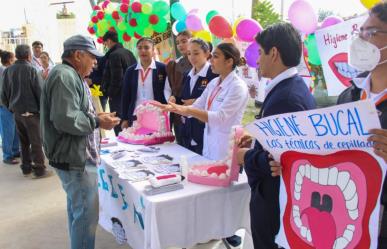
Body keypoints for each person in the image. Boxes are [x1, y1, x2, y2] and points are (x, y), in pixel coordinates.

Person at [156, 43, 248, 247]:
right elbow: (197, 105)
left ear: (229, 61)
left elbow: (221, 118)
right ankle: (215, 229)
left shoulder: (238, 87)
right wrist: (172, 108)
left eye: (215, 56)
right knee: (212, 192)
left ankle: (230, 231)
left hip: (226, 146)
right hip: (210, 144)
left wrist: (187, 111)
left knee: (226, 193)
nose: (211, 60)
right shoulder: (215, 83)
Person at [236, 23, 316, 249]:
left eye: (260, 53)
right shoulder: (291, 87)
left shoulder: (286, 97)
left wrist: (245, 156)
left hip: (275, 201)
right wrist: (258, 138)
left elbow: (280, 161)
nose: (257, 60)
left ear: (274, 53)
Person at [40, 34, 120, 249]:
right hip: (74, 159)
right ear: (77, 55)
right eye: (92, 57)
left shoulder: (70, 74)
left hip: (75, 155)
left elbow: (76, 113)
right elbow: (65, 119)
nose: (95, 63)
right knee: (85, 217)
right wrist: (97, 122)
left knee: (78, 212)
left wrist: (98, 119)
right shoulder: (64, 76)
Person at [336, 3, 387, 248]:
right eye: (360, 32)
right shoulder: (349, 96)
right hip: (346, 220)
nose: (360, 41)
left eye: (371, 32)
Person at [1, 45, 51, 178]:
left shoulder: (7, 71)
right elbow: (40, 93)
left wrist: (11, 108)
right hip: (31, 113)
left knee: (23, 142)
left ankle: (26, 167)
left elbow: (3, 94)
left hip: (17, 113)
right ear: (29, 55)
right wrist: (43, 111)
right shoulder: (32, 70)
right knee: (35, 142)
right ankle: (39, 169)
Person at [178, 38, 218, 154]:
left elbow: (218, 100)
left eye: (196, 53)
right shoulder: (187, 75)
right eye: (189, 53)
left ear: (206, 53)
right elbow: (182, 96)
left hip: (205, 130)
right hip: (188, 128)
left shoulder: (213, 74)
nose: (192, 57)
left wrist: (195, 101)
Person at [121, 37, 168, 128]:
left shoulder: (163, 68)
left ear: (153, 50)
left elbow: (168, 93)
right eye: (140, 48)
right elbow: (125, 96)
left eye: (146, 48)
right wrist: (125, 118)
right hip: (136, 117)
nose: (143, 50)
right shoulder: (130, 71)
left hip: (157, 117)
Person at [101, 31, 136, 135]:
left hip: (118, 97)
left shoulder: (114, 55)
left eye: (105, 43)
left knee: (119, 126)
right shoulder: (128, 52)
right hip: (130, 94)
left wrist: (110, 93)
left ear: (109, 41)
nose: (105, 46)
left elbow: (117, 78)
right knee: (130, 125)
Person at [164, 31, 193, 144]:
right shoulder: (173, 65)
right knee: (180, 142)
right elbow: (167, 87)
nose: (180, 45)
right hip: (177, 110)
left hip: (194, 110)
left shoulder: (201, 64)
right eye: (178, 42)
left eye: (184, 41)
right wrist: (170, 98)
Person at [0, 50, 20, 165]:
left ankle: (15, 150)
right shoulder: (4, 70)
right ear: (10, 60)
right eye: (13, 59)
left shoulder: (7, 70)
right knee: (7, 131)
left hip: (11, 104)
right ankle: (7, 155)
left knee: (14, 129)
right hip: (5, 105)